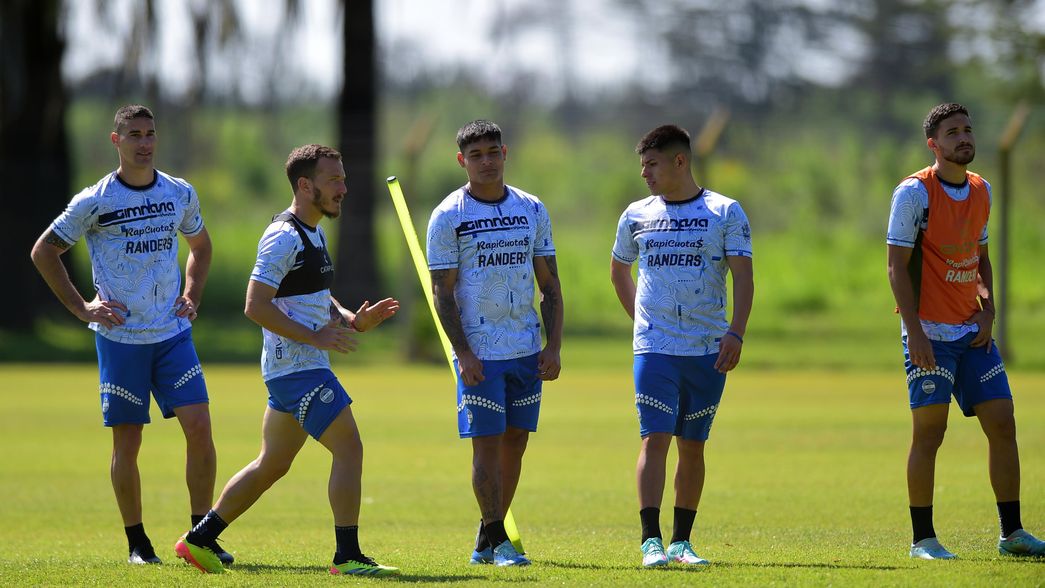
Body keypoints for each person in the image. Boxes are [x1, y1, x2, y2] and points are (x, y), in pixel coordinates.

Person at [173, 144, 401, 576]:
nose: (343, 188)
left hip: (297, 369)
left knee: (272, 464)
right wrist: (314, 336)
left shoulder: (314, 232)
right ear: (305, 185)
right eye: (334, 180)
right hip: (297, 369)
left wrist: (353, 320)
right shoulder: (283, 237)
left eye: (343, 178)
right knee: (349, 448)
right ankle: (348, 557)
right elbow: (255, 305)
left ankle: (199, 539)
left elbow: (317, 295)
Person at [28, 104, 230, 566]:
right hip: (121, 339)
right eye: (134, 134)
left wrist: (192, 295)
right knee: (128, 442)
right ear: (116, 140)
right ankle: (138, 544)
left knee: (200, 428)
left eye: (150, 133)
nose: (144, 142)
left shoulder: (179, 192)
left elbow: (200, 246)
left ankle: (201, 536)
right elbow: (44, 252)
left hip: (173, 334)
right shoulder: (94, 201)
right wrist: (81, 308)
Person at [887, 102, 1045, 560]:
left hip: (972, 333)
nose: (964, 138)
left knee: (1003, 422)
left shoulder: (982, 190)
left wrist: (988, 310)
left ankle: (1012, 534)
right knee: (930, 434)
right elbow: (896, 267)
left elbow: (981, 260)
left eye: (967, 129)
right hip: (929, 334)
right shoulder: (913, 194)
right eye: (952, 132)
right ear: (933, 145)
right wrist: (914, 332)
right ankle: (923, 540)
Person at [610, 124, 753, 568]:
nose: (644, 173)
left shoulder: (725, 212)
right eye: (642, 165)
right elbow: (619, 271)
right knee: (654, 438)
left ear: (679, 161)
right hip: (654, 348)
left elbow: (744, 278)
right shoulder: (636, 214)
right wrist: (642, 322)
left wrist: (736, 332)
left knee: (693, 445)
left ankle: (681, 542)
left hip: (708, 347)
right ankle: (650, 541)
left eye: (652, 164)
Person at [425, 120, 563, 567]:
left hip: (526, 347)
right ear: (461, 160)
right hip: (480, 354)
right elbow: (442, 291)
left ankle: (487, 538)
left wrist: (554, 345)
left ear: (505, 153)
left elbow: (550, 283)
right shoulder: (449, 215)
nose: (486, 162)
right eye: (476, 155)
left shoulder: (532, 208)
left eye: (492, 152)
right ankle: (500, 541)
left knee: (516, 441)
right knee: (485, 444)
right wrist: (463, 352)